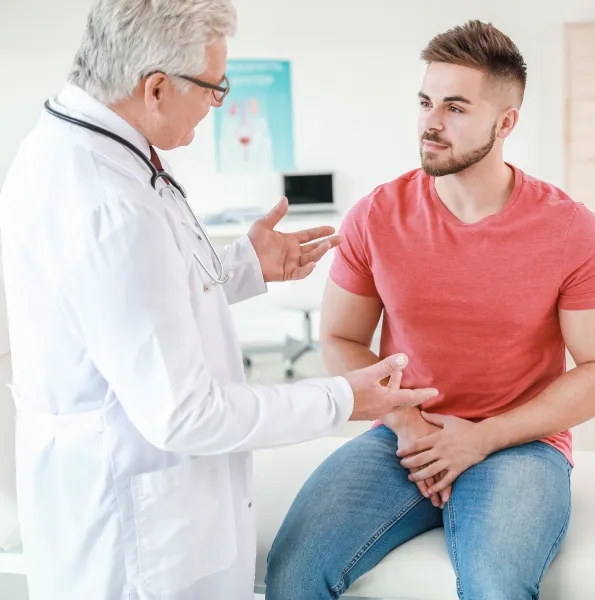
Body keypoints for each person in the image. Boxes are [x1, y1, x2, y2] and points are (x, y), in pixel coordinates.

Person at [0, 2, 438, 599]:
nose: (218, 104)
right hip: (134, 541)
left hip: (140, 497)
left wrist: (241, 266)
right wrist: (341, 398)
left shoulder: (87, 144)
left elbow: (126, 300)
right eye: (214, 89)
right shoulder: (106, 200)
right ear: (155, 88)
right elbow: (184, 414)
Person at [264, 20, 595, 600]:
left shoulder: (570, 230)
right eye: (425, 101)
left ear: (505, 121)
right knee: (293, 572)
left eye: (456, 108)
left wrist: (484, 438)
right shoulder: (376, 216)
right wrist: (409, 427)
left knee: (495, 587)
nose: (431, 123)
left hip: (519, 444)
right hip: (402, 437)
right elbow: (339, 337)